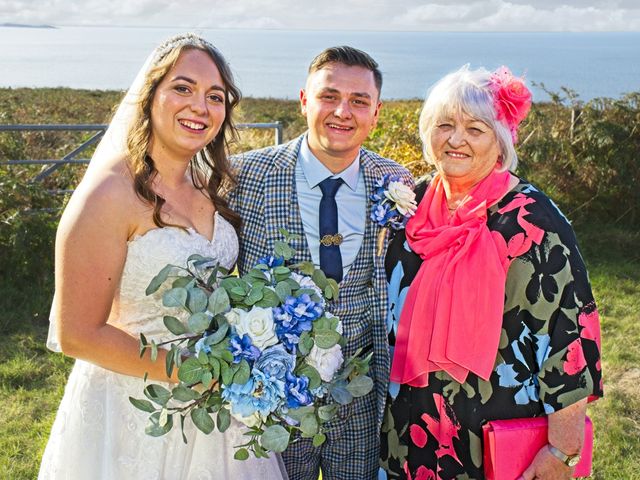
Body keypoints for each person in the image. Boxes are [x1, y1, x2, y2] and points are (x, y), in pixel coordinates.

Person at [39, 33, 288, 480]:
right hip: (135, 411)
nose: (200, 106)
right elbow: (76, 333)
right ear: (149, 95)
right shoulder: (108, 194)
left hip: (218, 414)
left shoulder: (210, 185)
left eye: (215, 96)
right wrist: (193, 373)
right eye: (183, 88)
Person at [379, 65, 603, 480]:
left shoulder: (533, 220)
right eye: (444, 125)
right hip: (407, 430)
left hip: (494, 436)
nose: (456, 138)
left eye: (475, 128)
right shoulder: (409, 206)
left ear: (499, 142)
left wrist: (563, 448)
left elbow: (570, 336)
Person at [231, 46, 412, 480]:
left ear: (376, 112)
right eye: (329, 96)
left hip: (362, 397)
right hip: (272, 396)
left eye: (359, 101)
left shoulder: (395, 182)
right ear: (304, 100)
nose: (342, 112)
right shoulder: (243, 176)